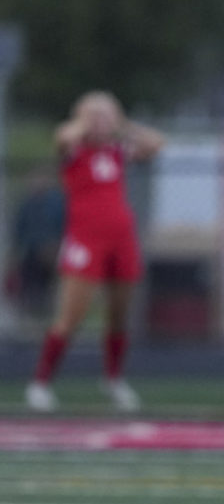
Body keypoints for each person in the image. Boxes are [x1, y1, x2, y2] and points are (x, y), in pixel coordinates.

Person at [25, 91, 164, 412]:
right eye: (95, 115)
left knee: (119, 314)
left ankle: (113, 379)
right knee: (71, 316)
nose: (102, 122)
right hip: (86, 240)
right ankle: (41, 382)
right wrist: (90, 120)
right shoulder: (74, 148)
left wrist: (122, 125)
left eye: (107, 115)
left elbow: (156, 144)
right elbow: (63, 136)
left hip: (121, 239)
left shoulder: (117, 150)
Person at [4, 165, 66, 322]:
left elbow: (63, 226)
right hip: (30, 254)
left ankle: (49, 314)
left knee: (52, 283)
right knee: (27, 284)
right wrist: (14, 256)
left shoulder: (57, 202)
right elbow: (19, 230)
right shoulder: (26, 204)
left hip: (53, 252)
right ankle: (28, 315)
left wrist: (56, 246)